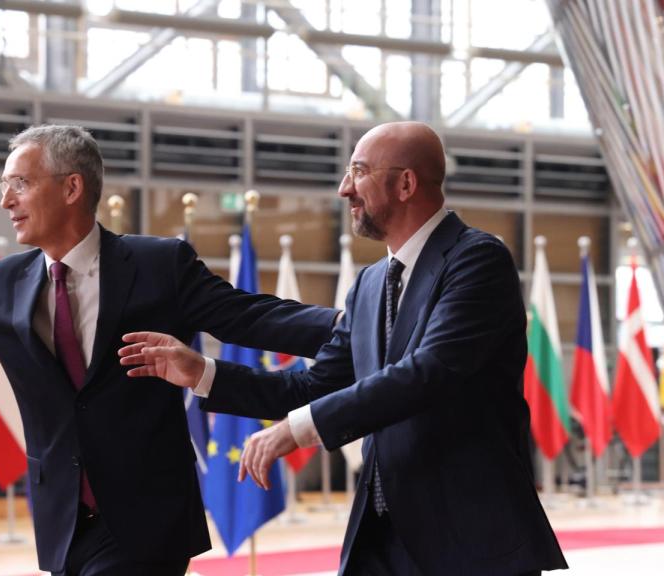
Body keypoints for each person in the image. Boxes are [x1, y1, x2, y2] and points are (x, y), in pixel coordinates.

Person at [0, 124, 339, 576]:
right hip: (60, 522)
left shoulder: (157, 265)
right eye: (4, 186)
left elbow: (253, 316)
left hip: (147, 521)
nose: (5, 201)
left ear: (72, 187)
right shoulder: (1, 283)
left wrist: (357, 324)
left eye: (19, 184)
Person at [119, 122, 569, 576]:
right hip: (380, 542)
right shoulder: (370, 284)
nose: (343, 189)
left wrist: (296, 430)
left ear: (406, 183)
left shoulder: (477, 260)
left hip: (470, 539)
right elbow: (313, 385)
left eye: (358, 171)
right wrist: (202, 373)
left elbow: (427, 373)